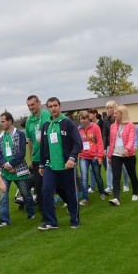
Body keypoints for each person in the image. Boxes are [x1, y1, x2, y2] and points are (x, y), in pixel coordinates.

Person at [38, 97, 83, 230]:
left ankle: (75, 220)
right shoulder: (46, 125)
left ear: (59, 106)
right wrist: (41, 164)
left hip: (66, 165)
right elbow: (43, 146)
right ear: (47, 108)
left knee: (70, 193)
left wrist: (72, 158)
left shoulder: (67, 123)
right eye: (50, 106)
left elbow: (78, 143)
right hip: (50, 166)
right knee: (46, 191)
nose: (53, 108)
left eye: (55, 105)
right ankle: (51, 222)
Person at [0, 111, 35, 226]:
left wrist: (12, 165)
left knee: (25, 194)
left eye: (3, 121)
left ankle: (31, 213)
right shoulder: (0, 136)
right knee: (2, 196)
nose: (1, 124)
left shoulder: (20, 134)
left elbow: (21, 152)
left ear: (10, 121)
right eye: (0, 121)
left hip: (19, 171)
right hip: (4, 171)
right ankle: (4, 221)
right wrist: (5, 165)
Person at [25, 95, 52, 219]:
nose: (31, 107)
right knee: (40, 187)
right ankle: (45, 214)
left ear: (39, 103)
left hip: (51, 156)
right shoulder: (28, 121)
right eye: (29, 105)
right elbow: (30, 141)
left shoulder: (47, 115)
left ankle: (70, 202)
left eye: (33, 104)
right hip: (37, 159)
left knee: (56, 185)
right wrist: (31, 158)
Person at [107, 105, 138, 206]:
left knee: (132, 174)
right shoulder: (113, 126)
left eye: (116, 113)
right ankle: (116, 198)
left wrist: (127, 149)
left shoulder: (130, 125)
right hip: (116, 154)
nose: (114, 115)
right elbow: (111, 141)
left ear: (122, 114)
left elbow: (131, 139)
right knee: (116, 177)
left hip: (128, 154)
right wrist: (109, 155)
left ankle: (135, 193)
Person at [77, 111, 105, 205]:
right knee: (84, 177)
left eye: (85, 118)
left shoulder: (95, 127)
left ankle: (102, 192)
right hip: (83, 156)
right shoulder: (78, 130)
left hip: (95, 156)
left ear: (88, 118)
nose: (83, 120)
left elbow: (100, 142)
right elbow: (77, 143)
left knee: (97, 176)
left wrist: (100, 156)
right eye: (81, 119)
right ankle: (85, 198)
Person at [102, 101, 130, 194]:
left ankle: (126, 184)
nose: (109, 110)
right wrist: (105, 148)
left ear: (116, 108)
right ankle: (110, 187)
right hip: (111, 145)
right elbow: (105, 135)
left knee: (124, 167)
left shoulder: (122, 119)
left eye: (111, 107)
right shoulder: (105, 120)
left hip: (122, 145)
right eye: (107, 108)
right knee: (109, 166)